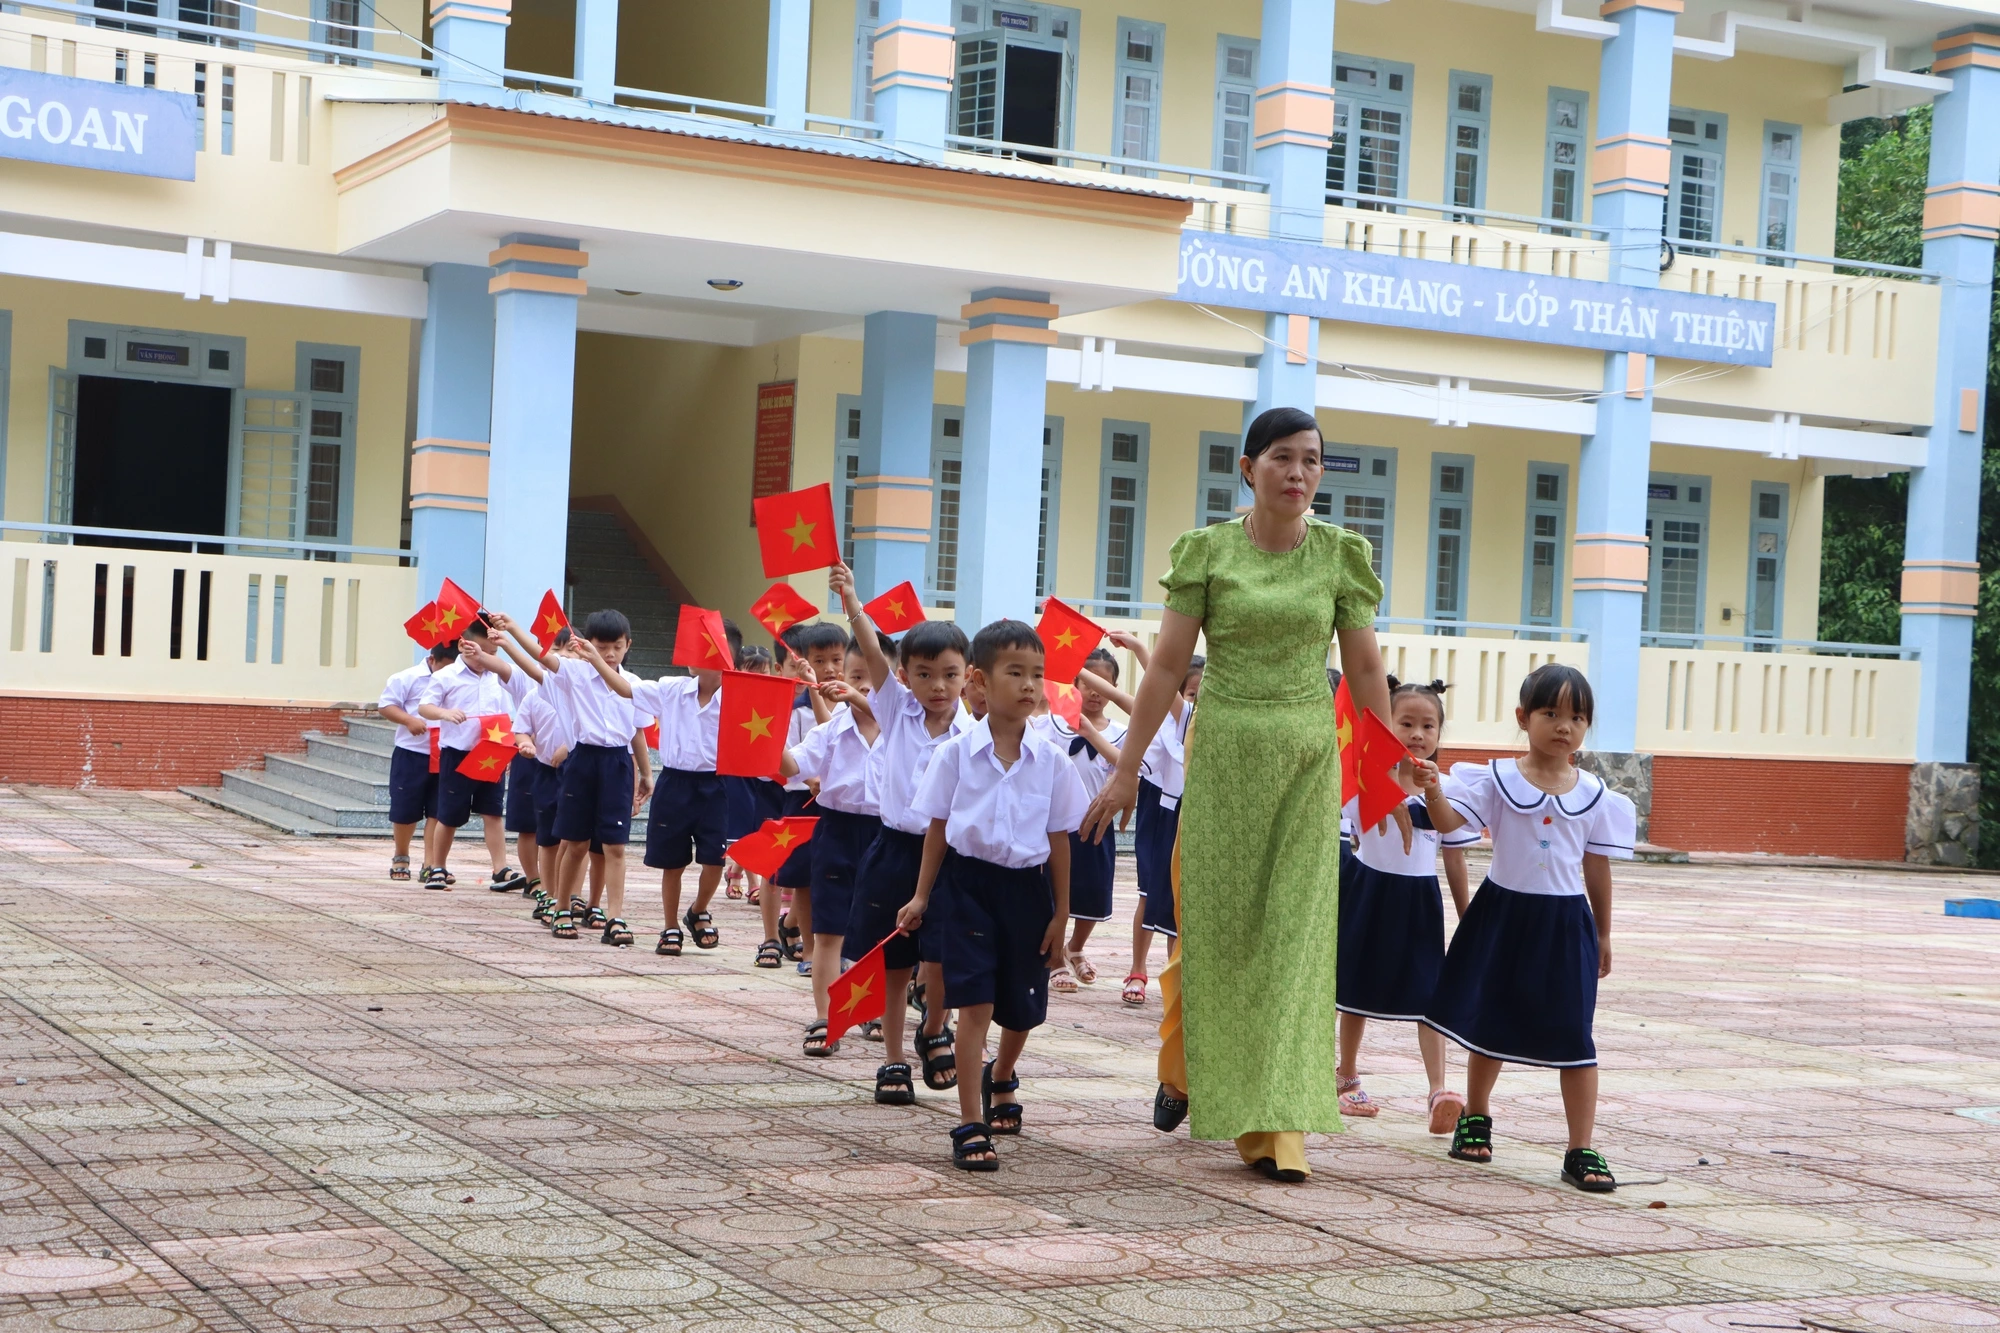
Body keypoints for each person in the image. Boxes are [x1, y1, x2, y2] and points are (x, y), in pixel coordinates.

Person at [1080, 405, 1400, 1184]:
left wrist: (1384, 762)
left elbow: (1363, 670)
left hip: (1303, 763)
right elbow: (1161, 667)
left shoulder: (1338, 556)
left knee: (1291, 944)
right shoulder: (1209, 552)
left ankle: (1274, 1130)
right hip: (1219, 754)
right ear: (1248, 468)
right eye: (1283, 458)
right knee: (1214, 929)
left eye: (1313, 460)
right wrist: (1125, 766)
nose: (1299, 473)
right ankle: (1182, 1064)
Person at [1415, 662, 1633, 1192]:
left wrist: (1603, 933)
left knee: (1575, 1036)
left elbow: (1596, 866)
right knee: (1491, 1020)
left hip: (1565, 925)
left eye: (1577, 717)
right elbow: (1448, 825)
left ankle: (1580, 1148)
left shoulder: (1596, 796)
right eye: (1551, 713)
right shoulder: (1496, 780)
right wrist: (1431, 790)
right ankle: (1477, 1117)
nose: (1564, 726)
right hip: (1504, 916)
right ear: (1523, 717)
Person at [899, 619, 1087, 1169]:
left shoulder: (1052, 760)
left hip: (1027, 893)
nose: (1029, 685)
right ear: (979, 681)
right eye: (1015, 673)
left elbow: (1060, 842)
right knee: (974, 1001)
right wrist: (921, 897)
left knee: (1022, 1008)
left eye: (1038, 675)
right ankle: (970, 1122)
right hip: (968, 887)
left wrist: (1063, 917)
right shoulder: (955, 754)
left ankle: (1001, 1072)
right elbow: (937, 830)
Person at [832, 561, 970, 1103]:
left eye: (950, 674)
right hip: (893, 851)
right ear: (905, 674)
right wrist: (851, 599)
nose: (937, 686)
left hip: (950, 857)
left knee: (942, 957)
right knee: (891, 962)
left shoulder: (973, 734)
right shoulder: (894, 709)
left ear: (968, 675)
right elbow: (869, 646)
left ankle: (935, 1026)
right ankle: (892, 1061)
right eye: (924, 674)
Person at [1335, 677, 1472, 1134]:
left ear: (1439, 732)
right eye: (1406, 722)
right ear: (1385, 725)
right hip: (1368, 891)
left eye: (1428, 725)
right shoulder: (1364, 780)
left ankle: (1438, 1091)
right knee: (1354, 990)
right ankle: (1346, 1074)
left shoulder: (1446, 787)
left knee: (1429, 997)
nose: (1417, 733)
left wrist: (1467, 915)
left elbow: (1454, 856)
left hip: (1419, 901)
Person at [494, 609, 650, 945]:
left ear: (628, 646)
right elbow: (540, 658)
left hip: (618, 764)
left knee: (616, 846)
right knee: (576, 842)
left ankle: (615, 917)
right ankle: (562, 907)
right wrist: (513, 630)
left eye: (617, 647)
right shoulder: (574, 674)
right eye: (601, 646)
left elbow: (637, 732)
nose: (609, 654)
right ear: (585, 645)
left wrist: (646, 773)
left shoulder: (634, 684)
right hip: (583, 761)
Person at [782, 635, 885, 1056]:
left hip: (885, 834)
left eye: (871, 678)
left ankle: (872, 1013)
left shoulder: (903, 729)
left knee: (878, 934)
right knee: (828, 931)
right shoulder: (831, 730)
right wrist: (765, 739)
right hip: (836, 832)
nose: (861, 686)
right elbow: (793, 765)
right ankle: (826, 1018)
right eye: (854, 676)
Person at [620, 619, 740, 956]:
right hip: (674, 784)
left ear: (725, 658)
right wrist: (598, 661)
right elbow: (625, 688)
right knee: (672, 862)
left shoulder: (738, 698)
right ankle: (670, 925)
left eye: (703, 649)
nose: (691, 654)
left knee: (715, 859)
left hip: (714, 785)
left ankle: (698, 909)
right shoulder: (672, 688)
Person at [417, 621, 528, 892]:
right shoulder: (446, 676)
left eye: (491, 654)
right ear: (463, 645)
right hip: (457, 753)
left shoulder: (498, 678)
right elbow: (424, 706)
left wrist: (510, 749)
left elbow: (508, 715)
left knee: (492, 812)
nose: (484, 660)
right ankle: (438, 866)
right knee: (449, 814)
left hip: (491, 751)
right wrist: (445, 714)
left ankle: (500, 868)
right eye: (479, 652)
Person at [1047, 647, 1127, 994]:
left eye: (1104, 683)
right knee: (1053, 893)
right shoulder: (1052, 724)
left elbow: (1130, 769)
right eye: (1088, 683)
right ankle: (1053, 958)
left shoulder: (1123, 733)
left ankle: (1076, 947)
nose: (1095, 692)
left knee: (1093, 896)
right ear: (1073, 684)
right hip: (1058, 828)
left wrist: (1092, 735)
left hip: (1098, 827)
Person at [377, 639, 457, 882]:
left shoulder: (459, 678)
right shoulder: (407, 678)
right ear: (432, 659)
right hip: (412, 753)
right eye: (443, 668)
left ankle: (431, 864)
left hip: (445, 752)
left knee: (437, 810)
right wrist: (408, 720)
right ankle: (401, 855)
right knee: (405, 808)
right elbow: (386, 705)